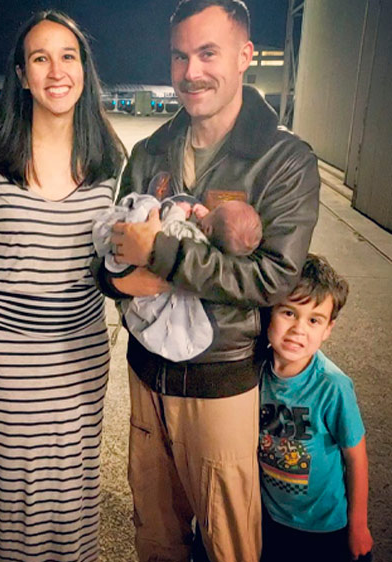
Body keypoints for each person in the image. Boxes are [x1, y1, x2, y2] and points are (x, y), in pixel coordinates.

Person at [92, 1, 321, 560]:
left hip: (220, 384)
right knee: (156, 533)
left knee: (228, 543)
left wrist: (164, 254)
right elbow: (113, 249)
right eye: (179, 56)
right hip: (146, 378)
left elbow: (272, 277)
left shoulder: (284, 160)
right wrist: (115, 281)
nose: (191, 71)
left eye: (208, 52)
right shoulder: (148, 152)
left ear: (245, 56)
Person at [0, 10, 125, 561]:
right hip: (3, 355)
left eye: (68, 56)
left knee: (71, 485)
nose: (56, 70)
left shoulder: (111, 161)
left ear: (84, 69)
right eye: (40, 58)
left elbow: (118, 262)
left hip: (79, 352)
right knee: (9, 487)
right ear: (21, 74)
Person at [260, 254, 373, 562]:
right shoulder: (254, 374)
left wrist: (358, 524)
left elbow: (356, 456)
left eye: (313, 320)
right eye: (288, 313)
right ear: (269, 313)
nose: (299, 329)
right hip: (270, 519)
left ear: (328, 329)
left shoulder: (333, 386)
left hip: (324, 526)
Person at [94, 195, 262, 361]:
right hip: (180, 353)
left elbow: (169, 230)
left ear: (208, 229)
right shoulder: (214, 252)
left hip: (162, 307)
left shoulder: (190, 236)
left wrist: (177, 210)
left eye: (215, 210)